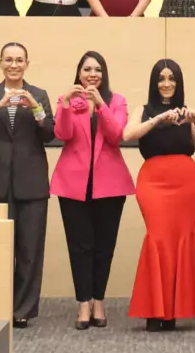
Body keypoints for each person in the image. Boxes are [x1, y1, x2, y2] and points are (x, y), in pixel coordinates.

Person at [0, 42, 55, 328]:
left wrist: (37, 109)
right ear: (0, 63)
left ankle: (22, 310)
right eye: (8, 60)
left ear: (27, 63)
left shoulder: (38, 94)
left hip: (32, 182)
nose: (14, 65)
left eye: (19, 60)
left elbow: (51, 133)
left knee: (30, 251)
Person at [125, 59, 195, 331]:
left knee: (180, 241)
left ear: (178, 82)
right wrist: (160, 118)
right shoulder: (145, 109)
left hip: (186, 181)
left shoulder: (187, 111)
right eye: (161, 78)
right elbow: (128, 133)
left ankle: (172, 310)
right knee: (158, 239)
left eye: (171, 78)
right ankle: (153, 309)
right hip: (153, 181)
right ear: (154, 82)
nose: (166, 83)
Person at [52, 51, 135, 330]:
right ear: (78, 73)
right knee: (80, 246)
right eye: (86, 69)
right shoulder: (66, 101)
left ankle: (99, 300)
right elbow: (62, 135)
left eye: (97, 69)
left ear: (104, 74)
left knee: (104, 246)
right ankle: (83, 303)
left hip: (110, 183)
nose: (92, 74)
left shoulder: (117, 101)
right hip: (72, 183)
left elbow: (116, 135)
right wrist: (64, 105)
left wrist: (100, 104)